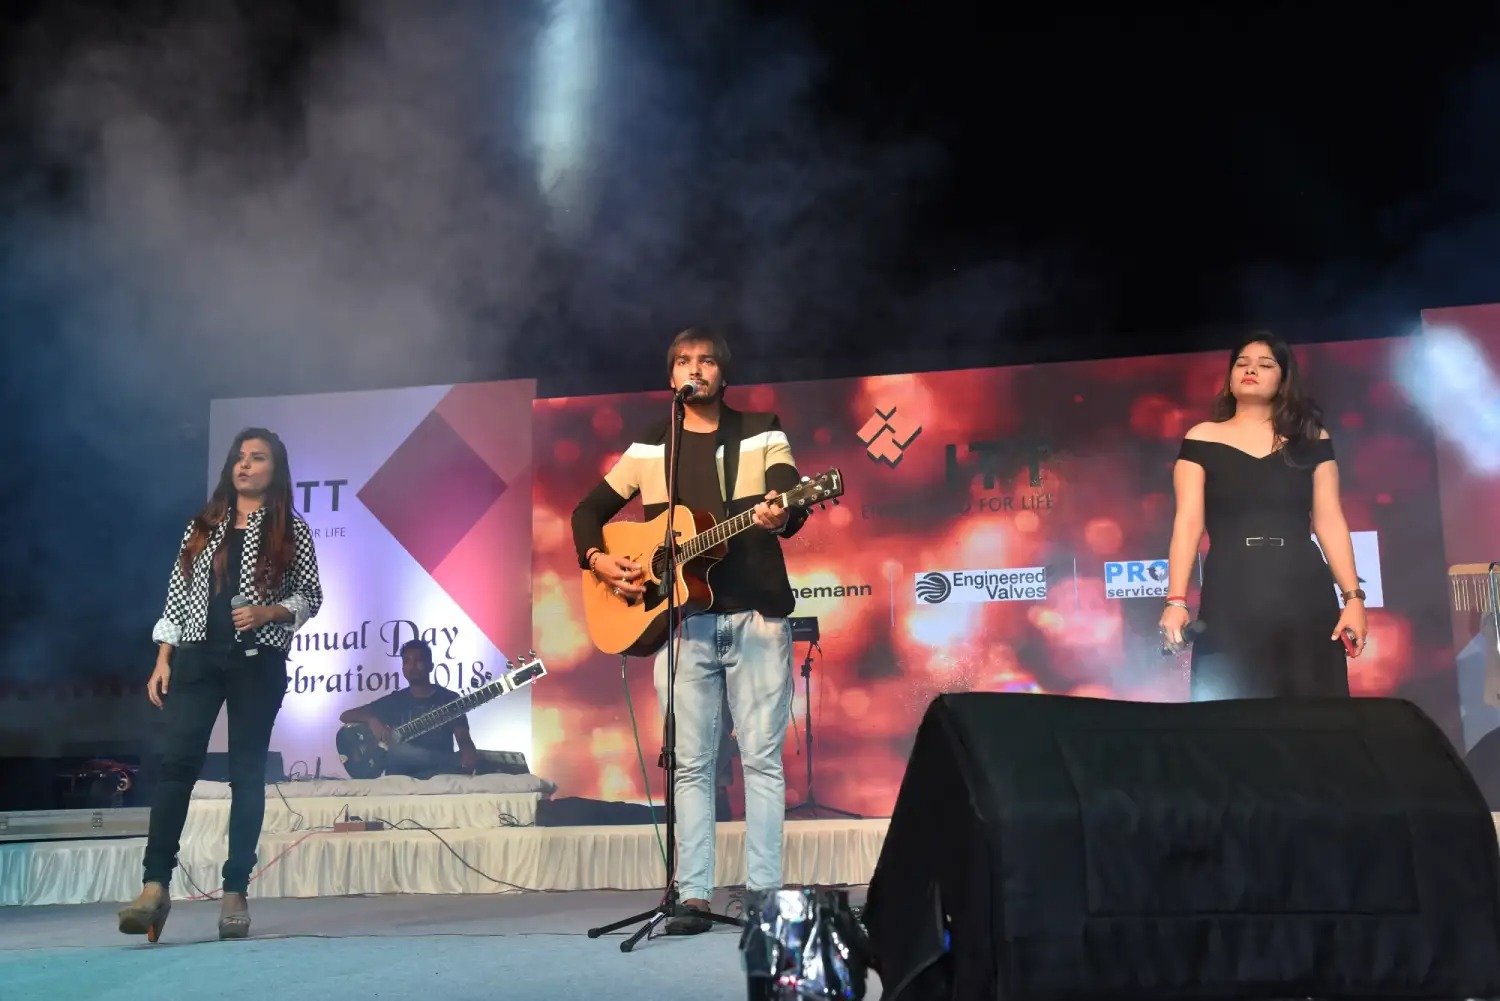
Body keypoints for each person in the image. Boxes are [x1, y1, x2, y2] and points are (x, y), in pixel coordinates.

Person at [571, 327, 808, 934]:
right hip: (679, 624)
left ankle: (762, 896)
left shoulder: (762, 428)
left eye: (705, 361)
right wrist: (602, 562)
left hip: (754, 616)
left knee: (760, 759)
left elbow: (789, 488)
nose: (694, 368)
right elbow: (587, 513)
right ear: (671, 377)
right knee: (691, 764)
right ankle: (693, 895)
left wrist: (784, 508)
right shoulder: (652, 446)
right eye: (683, 361)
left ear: (722, 375)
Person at [118, 427, 323, 942]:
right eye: (239, 456)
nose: (245, 464)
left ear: (275, 471)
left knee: (246, 773)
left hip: (257, 661)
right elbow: (176, 594)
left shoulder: (289, 529)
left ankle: (235, 890)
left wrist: (270, 611)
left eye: (258, 458)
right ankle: (154, 885)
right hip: (197, 657)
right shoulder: (202, 526)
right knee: (176, 766)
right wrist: (163, 656)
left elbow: (311, 595)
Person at [1159, 333, 1368, 700]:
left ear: (1283, 378)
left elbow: (1329, 519)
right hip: (1231, 585)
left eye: (1265, 364)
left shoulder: (1312, 438)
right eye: (1242, 363)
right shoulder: (1202, 438)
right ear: (1229, 376)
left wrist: (1353, 598)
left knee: (1314, 709)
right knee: (1232, 710)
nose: (1251, 369)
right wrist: (1176, 602)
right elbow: (1187, 523)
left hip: (1303, 586)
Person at [339, 639, 479, 778]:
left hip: (438, 772)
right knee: (397, 751)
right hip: (403, 773)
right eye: (407, 661)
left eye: (418, 660)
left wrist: (468, 755)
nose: (412, 666)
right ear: (402, 668)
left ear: (430, 666)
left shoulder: (448, 699)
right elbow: (345, 716)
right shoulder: (395, 701)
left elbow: (463, 736)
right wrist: (371, 719)